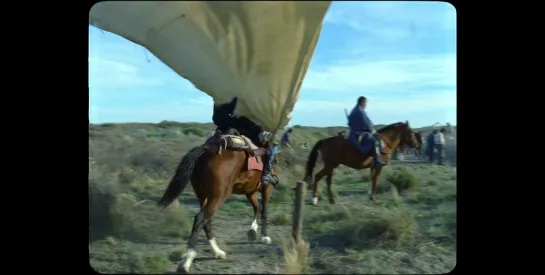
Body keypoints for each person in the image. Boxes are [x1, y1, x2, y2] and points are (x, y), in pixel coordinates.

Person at [211, 97, 279, 185]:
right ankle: (266, 174)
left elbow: (216, 119)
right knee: (273, 144)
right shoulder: (248, 94)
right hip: (249, 129)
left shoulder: (222, 93)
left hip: (224, 128)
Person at [347, 96, 387, 164]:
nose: (366, 105)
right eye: (365, 103)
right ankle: (377, 160)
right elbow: (367, 124)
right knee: (375, 139)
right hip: (357, 134)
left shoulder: (355, 110)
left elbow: (350, 123)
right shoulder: (360, 111)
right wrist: (372, 130)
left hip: (354, 132)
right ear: (362, 102)